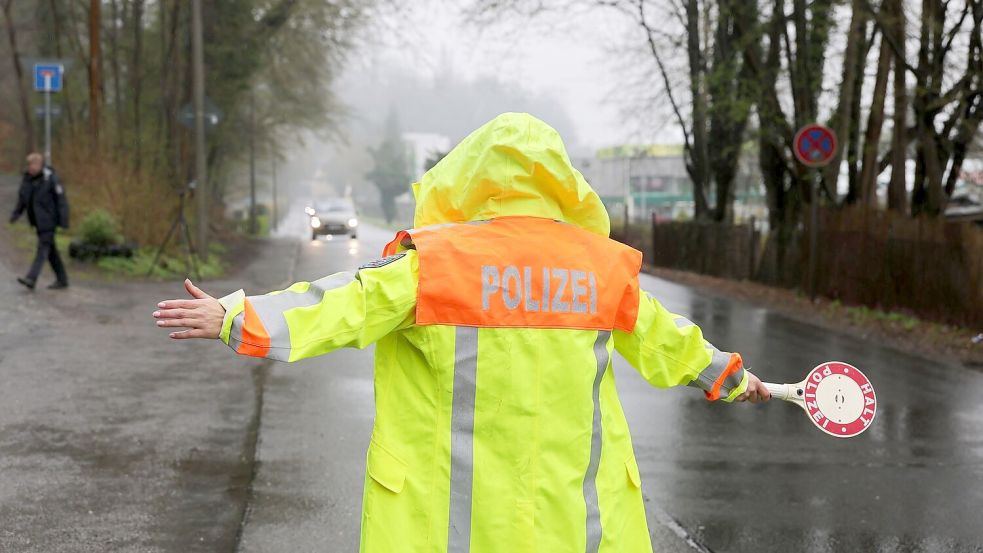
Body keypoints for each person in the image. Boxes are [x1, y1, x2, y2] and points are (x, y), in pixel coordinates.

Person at [153, 113, 770, 553]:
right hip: (572, 524)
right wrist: (736, 379)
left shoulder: (436, 262)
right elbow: (673, 340)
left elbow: (340, 304)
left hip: (452, 527)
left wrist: (236, 317)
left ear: (469, 175)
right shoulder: (602, 268)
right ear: (561, 182)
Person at [9, 152, 70, 290]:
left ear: (40, 165)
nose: (31, 167)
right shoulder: (27, 180)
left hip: (49, 221)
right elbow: (23, 199)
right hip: (37, 221)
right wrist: (15, 215)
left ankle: (31, 278)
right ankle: (62, 279)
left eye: (34, 164)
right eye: (29, 164)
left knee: (42, 249)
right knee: (51, 251)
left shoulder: (51, 179)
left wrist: (64, 220)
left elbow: (61, 201)